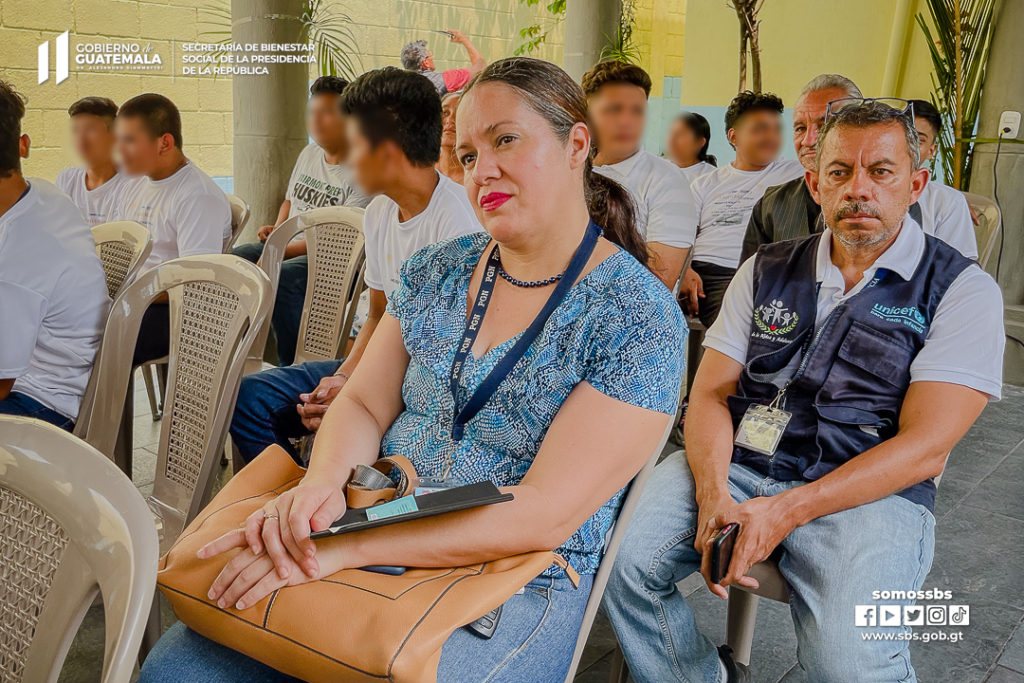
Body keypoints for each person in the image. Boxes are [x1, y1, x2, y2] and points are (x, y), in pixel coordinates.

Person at [139, 56, 686, 683]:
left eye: (506, 140)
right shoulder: (438, 271)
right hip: (375, 510)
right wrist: (320, 489)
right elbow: (365, 403)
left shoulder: (637, 317)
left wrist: (345, 545)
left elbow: (542, 512)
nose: (484, 171)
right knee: (179, 668)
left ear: (576, 144)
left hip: (511, 574)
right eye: (469, 154)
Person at [605, 100, 1004, 683]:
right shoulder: (766, 268)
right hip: (740, 463)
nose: (858, 189)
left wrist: (786, 510)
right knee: (620, 560)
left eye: (881, 172)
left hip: (867, 488)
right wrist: (715, 490)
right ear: (815, 183)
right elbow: (711, 394)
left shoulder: (961, 291)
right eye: (840, 172)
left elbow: (926, 447)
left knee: (846, 660)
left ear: (915, 184)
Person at [229, 67, 479, 465]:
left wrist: (356, 394)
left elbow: (439, 361)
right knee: (247, 400)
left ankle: (318, 497)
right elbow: (379, 315)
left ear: (388, 151)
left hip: (423, 388)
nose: (346, 157)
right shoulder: (380, 211)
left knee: (337, 428)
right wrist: (342, 377)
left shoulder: (458, 226)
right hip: (376, 368)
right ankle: (293, 495)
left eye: (354, 144)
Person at [233, 76, 372, 366]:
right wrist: (277, 228)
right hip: (289, 244)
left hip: (333, 259)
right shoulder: (309, 153)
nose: (316, 120)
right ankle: (234, 354)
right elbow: (289, 200)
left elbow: (341, 240)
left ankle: (295, 365)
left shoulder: (362, 169)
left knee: (281, 279)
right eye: (313, 112)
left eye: (327, 112)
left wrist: (277, 249)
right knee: (236, 261)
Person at [0, 80, 110, 430]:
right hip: (47, 376)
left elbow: (2, 383)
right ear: (23, 146)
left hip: (41, 404)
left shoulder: (18, 256)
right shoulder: (42, 193)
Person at [681, 91, 803, 327]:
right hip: (706, 275)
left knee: (746, 325)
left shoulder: (795, 174)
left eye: (777, 129)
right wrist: (684, 271)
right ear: (734, 136)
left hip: (758, 274)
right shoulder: (706, 183)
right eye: (760, 129)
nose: (771, 137)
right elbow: (683, 233)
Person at [585, 60, 699, 289]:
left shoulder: (667, 180)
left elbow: (657, 282)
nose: (627, 121)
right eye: (613, 109)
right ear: (586, 115)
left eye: (637, 111)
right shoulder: (566, 172)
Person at [741, 74, 863, 263]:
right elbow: (753, 282)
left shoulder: (889, 203)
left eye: (823, 126)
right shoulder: (771, 206)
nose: (808, 141)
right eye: (800, 128)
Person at [908, 98, 978, 258]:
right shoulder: (859, 191)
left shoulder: (948, 202)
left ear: (931, 151)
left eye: (919, 140)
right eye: (901, 136)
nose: (907, 145)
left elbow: (955, 269)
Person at [55, 96, 129, 226]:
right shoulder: (67, 181)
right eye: (76, 131)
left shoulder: (131, 185)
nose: (81, 140)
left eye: (90, 129)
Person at [400, 30, 485, 97]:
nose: (433, 57)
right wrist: (464, 40)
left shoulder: (403, 86)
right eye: (430, 55)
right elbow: (480, 68)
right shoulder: (445, 80)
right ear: (426, 63)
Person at [667, 111, 717, 183]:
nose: (671, 139)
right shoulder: (657, 168)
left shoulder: (711, 177)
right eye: (671, 132)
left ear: (700, 142)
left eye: (680, 134)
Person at [437, 90, 463, 183]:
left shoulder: (477, 178)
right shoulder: (420, 166)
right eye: (445, 113)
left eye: (459, 113)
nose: (450, 120)